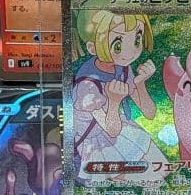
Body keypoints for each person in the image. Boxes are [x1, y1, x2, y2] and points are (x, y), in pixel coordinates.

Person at [72, 10, 168, 184]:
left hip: (120, 128)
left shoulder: (122, 66)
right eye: (118, 45)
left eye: (136, 40)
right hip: (97, 142)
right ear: (92, 48)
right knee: (154, 179)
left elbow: (150, 113)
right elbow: (112, 130)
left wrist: (140, 83)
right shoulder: (87, 86)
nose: (130, 52)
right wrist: (114, 101)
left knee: (163, 169)